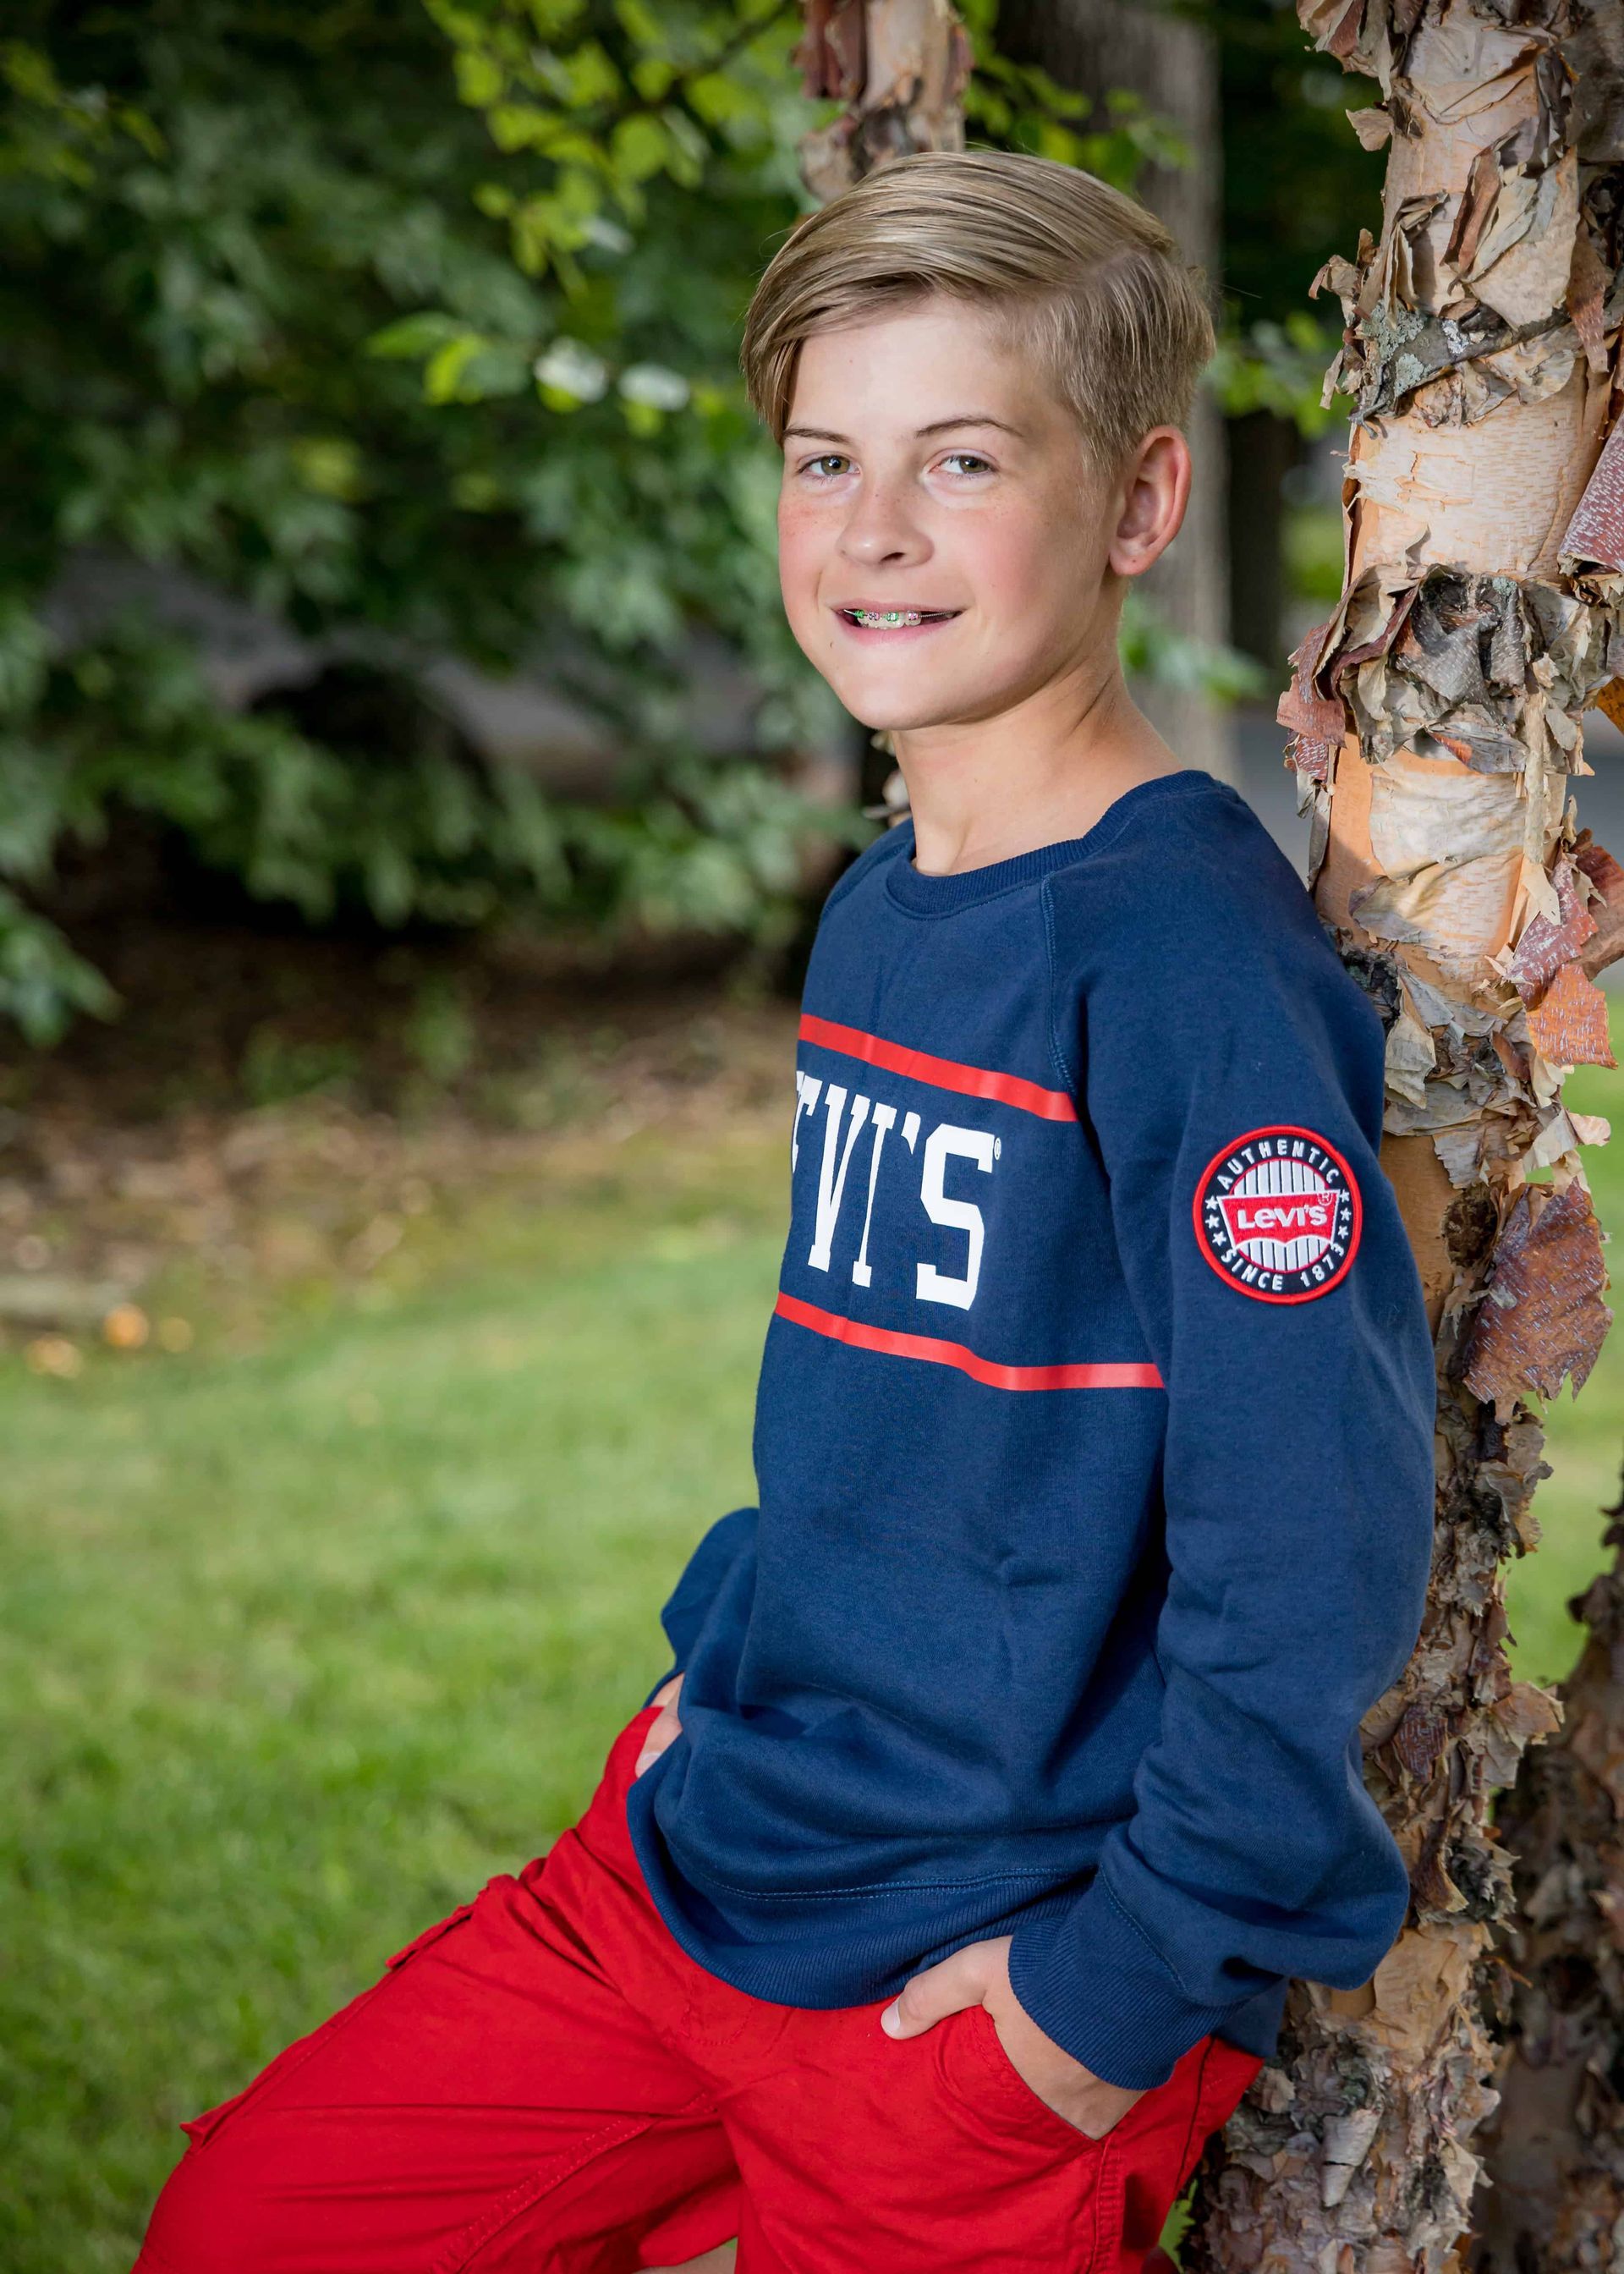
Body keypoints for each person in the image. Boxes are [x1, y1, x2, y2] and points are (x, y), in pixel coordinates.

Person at [133, 149, 1435, 2274]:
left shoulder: (1185, 958)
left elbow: (1313, 1525)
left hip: (980, 1988)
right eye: (827, 459)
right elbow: (888, 1406)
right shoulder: (886, 904)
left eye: (962, 461)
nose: (873, 530)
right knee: (256, 2229)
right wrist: (722, 1661)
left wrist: (1116, 1988)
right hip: (704, 1856)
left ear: (1139, 504)